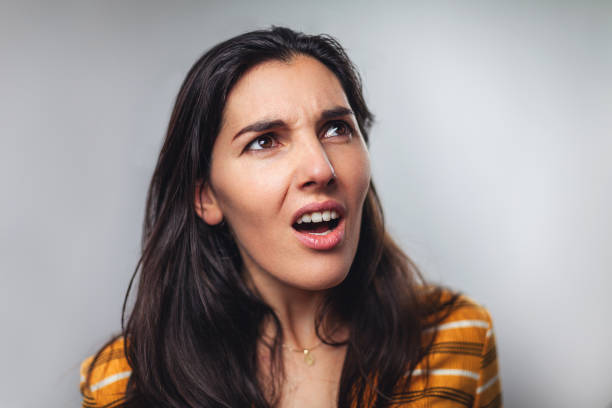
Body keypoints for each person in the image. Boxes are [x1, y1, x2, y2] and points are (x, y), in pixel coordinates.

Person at [80, 26, 501, 408]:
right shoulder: (118, 384)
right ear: (206, 197)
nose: (321, 169)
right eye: (265, 141)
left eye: (336, 129)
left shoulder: (457, 336)